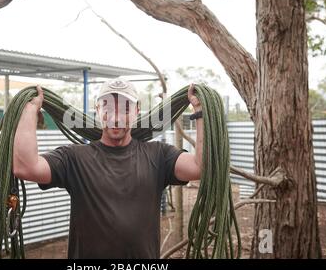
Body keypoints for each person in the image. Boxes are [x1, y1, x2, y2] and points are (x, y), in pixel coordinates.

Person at [13, 78, 203, 259]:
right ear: (97, 110)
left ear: (137, 111)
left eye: (125, 108)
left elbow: (198, 167)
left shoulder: (159, 155)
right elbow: (26, 167)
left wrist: (200, 111)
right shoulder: (74, 158)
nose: (116, 116)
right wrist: (30, 109)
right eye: (108, 107)